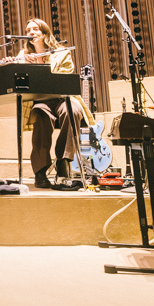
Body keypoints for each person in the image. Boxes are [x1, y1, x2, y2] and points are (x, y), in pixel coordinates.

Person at [14, 17, 94, 189]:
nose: (31, 33)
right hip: (40, 100)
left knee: (72, 110)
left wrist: (42, 67)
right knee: (41, 114)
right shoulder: (24, 56)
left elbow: (63, 79)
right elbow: (19, 81)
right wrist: (20, 65)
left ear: (44, 32)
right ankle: (40, 171)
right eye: (28, 31)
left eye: (35, 29)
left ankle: (63, 161)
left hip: (62, 98)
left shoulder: (61, 53)